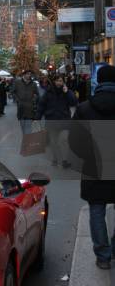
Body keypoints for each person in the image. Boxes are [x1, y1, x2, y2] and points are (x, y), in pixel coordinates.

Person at [69, 65, 115, 270]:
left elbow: (74, 141)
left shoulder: (85, 108)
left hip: (95, 166)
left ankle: (103, 255)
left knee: (97, 209)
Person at [37, 75, 77, 168]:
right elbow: (41, 105)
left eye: (61, 81)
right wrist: (37, 117)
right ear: (54, 82)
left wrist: (67, 93)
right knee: (54, 142)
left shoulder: (67, 91)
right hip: (52, 121)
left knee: (64, 140)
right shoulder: (48, 92)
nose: (59, 83)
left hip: (64, 121)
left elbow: (74, 102)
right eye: (57, 81)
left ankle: (64, 160)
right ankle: (55, 158)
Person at [12, 70, 39, 135]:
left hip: (30, 108)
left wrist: (34, 99)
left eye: (30, 74)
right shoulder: (17, 82)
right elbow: (13, 92)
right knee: (23, 127)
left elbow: (37, 94)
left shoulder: (33, 84)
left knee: (28, 128)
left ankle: (27, 141)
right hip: (21, 108)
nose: (29, 75)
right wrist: (17, 100)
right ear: (24, 74)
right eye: (27, 74)